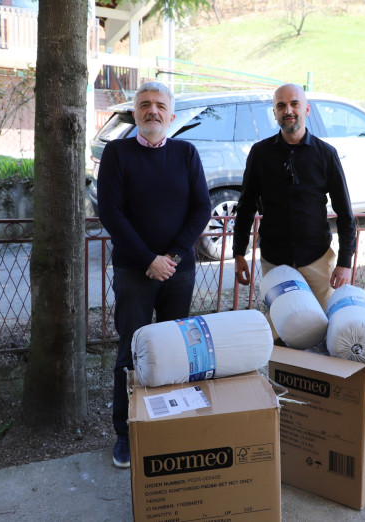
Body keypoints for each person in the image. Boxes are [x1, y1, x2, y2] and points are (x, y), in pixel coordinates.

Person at [97, 81, 211, 468]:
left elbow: (202, 209)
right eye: (145, 104)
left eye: (160, 105)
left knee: (175, 351)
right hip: (134, 271)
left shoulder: (186, 153)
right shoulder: (117, 153)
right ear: (135, 113)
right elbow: (111, 213)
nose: (153, 111)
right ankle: (126, 434)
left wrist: (172, 257)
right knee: (131, 351)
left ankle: (167, 426)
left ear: (171, 116)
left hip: (178, 272)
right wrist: (149, 259)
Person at [232, 83, 356, 315]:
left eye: (294, 104)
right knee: (281, 324)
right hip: (274, 262)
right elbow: (246, 206)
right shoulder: (260, 153)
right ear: (275, 113)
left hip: (317, 260)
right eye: (281, 106)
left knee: (322, 323)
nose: (288, 110)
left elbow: (345, 213)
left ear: (306, 109)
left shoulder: (326, 154)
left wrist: (344, 262)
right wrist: (239, 254)